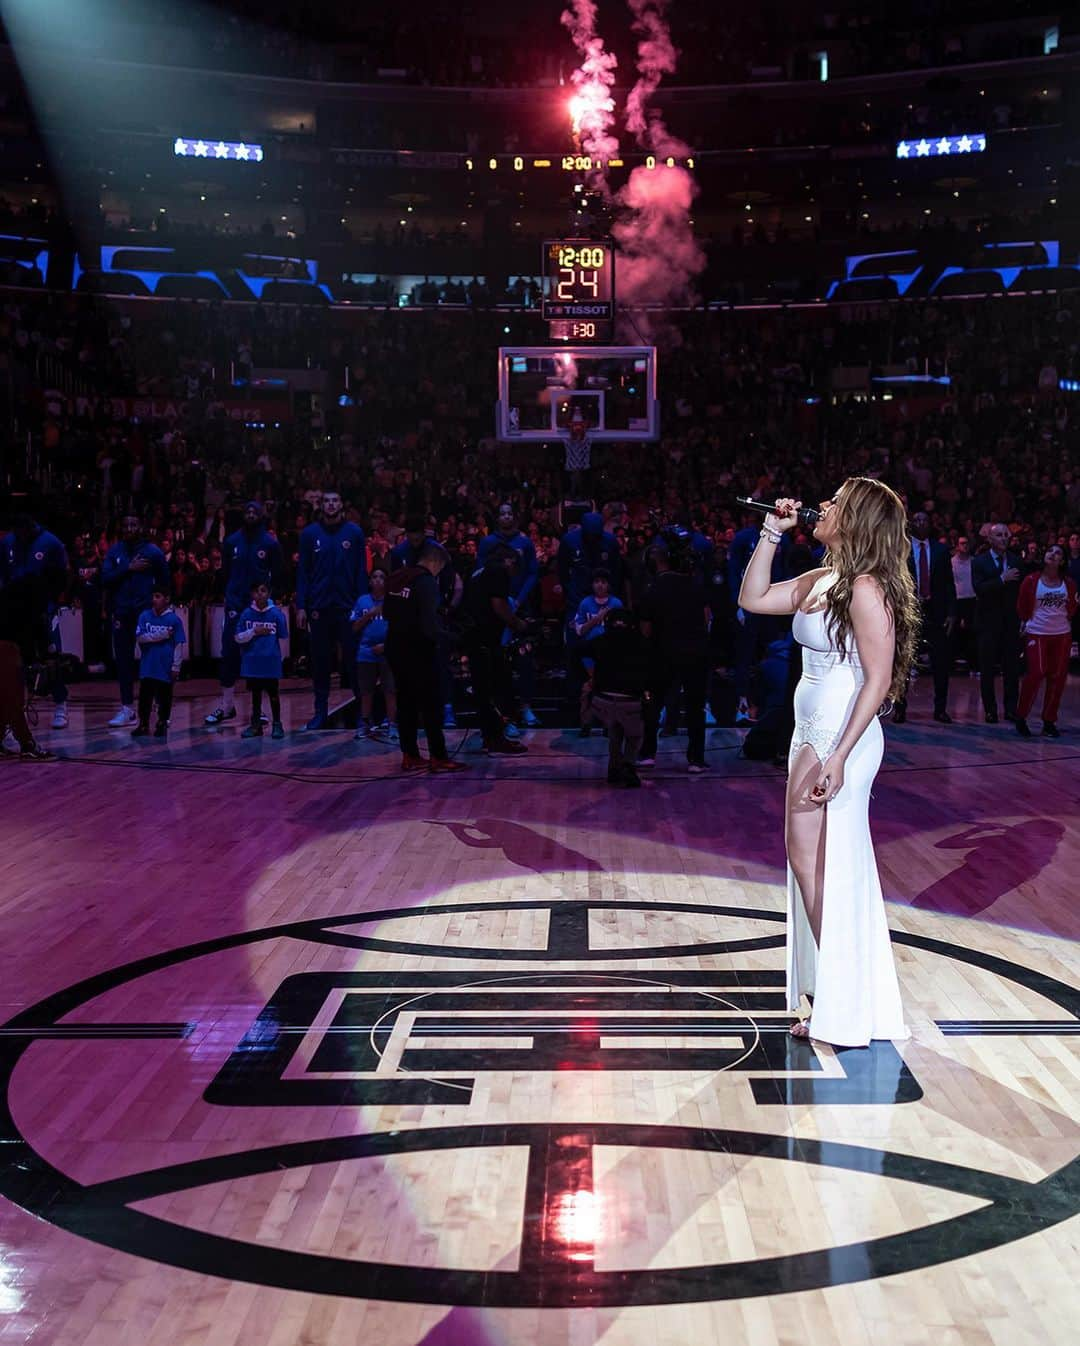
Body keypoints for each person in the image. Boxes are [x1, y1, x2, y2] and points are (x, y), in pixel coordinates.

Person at [738, 479, 918, 1048]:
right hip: (811, 732)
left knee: (818, 860)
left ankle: (842, 1000)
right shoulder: (824, 579)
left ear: (857, 519)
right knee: (810, 861)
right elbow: (753, 598)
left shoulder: (867, 588)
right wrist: (771, 532)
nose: (825, 505)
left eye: (838, 502)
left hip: (842, 736)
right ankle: (843, 994)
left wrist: (840, 753)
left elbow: (880, 679)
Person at [383, 540, 466, 773]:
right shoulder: (426, 581)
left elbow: (387, 612)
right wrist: (453, 638)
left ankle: (409, 755)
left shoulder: (397, 577)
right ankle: (438, 757)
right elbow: (429, 626)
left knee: (406, 702)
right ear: (435, 561)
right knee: (431, 704)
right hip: (418, 648)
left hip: (395, 647)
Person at [204, 501, 284, 727]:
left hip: (259, 609)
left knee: (258, 657)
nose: (250, 515)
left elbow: (278, 575)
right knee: (229, 652)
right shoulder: (231, 541)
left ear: (261, 516)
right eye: (247, 512)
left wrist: (268, 602)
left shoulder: (270, 543)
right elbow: (226, 573)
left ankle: (259, 710)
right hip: (235, 607)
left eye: (254, 512)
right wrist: (230, 597)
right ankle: (227, 706)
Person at [638, 534, 711, 774]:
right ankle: (696, 759)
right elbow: (706, 617)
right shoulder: (695, 584)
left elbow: (645, 629)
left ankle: (648, 754)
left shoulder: (652, 588)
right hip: (695, 653)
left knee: (653, 704)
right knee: (695, 707)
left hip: (663, 652)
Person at [295, 490, 367, 730]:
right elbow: (303, 572)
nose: (331, 504)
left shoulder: (355, 533)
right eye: (327, 501)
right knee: (321, 663)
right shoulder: (309, 534)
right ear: (321, 505)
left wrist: (362, 604)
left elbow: (360, 572)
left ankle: (362, 714)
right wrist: (302, 605)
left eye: (335, 500)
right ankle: (320, 713)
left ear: (341, 504)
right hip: (319, 607)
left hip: (348, 607)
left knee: (353, 662)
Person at [0, 512, 70, 729]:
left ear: (31, 527)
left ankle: (61, 705)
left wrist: (53, 604)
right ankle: (14, 717)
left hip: (43, 610)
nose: (18, 535)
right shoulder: (7, 542)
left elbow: (63, 576)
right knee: (14, 664)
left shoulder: (51, 543)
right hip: (15, 612)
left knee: (51, 658)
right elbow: (2, 574)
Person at [392, 514, 461, 729]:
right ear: (406, 533)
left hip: (434, 615)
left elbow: (449, 580)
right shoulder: (398, 553)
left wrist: (445, 607)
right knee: (411, 666)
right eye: (411, 533)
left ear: (425, 532)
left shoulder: (437, 551)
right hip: (409, 617)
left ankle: (447, 708)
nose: (415, 537)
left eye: (418, 533)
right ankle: (413, 713)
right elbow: (394, 583)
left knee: (439, 663)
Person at [461, 542, 530, 755]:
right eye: (515, 566)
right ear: (509, 560)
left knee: (484, 691)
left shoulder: (478, 572)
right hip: (486, 640)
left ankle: (490, 737)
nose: (514, 572)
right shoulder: (498, 571)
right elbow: (498, 606)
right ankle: (496, 738)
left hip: (473, 637)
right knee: (496, 689)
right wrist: (518, 624)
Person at [100, 516, 170, 728]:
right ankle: (127, 709)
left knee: (154, 659)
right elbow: (105, 579)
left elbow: (165, 582)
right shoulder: (114, 552)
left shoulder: (153, 552)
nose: (129, 528)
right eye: (126, 525)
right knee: (123, 662)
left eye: (133, 524)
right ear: (121, 528)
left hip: (146, 613)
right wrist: (128, 568)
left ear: (141, 527)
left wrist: (161, 608)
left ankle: (160, 708)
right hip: (122, 613)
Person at [479, 502, 541, 728]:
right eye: (502, 513)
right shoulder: (488, 542)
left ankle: (526, 707)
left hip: (520, 607)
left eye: (509, 513)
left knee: (524, 658)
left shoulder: (524, 542)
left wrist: (518, 599)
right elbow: (480, 572)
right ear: (497, 518)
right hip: (496, 608)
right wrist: (499, 601)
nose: (506, 517)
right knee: (498, 663)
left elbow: (533, 573)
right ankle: (503, 713)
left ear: (514, 517)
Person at [894, 510, 956, 724]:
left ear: (930, 524)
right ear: (911, 524)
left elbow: (949, 583)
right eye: (917, 520)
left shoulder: (940, 549)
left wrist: (951, 612)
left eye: (925, 520)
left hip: (936, 612)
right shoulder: (901, 548)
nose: (921, 523)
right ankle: (900, 708)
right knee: (904, 662)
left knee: (941, 662)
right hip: (909, 611)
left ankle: (940, 709)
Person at [1014, 543, 1077, 739]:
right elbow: (1022, 606)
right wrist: (1026, 623)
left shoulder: (1069, 583)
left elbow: (1073, 608)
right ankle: (1021, 716)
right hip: (1037, 632)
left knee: (1057, 678)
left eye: (1058, 553)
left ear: (1062, 561)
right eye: (1050, 551)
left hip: (1062, 634)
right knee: (1036, 673)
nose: (1053, 554)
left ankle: (1049, 721)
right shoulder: (1031, 580)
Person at [588, 607, 651, 787]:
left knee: (615, 730)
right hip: (629, 701)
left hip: (602, 701)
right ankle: (628, 767)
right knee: (635, 735)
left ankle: (613, 768)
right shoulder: (641, 642)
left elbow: (576, 651)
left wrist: (589, 678)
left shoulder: (600, 640)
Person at [971, 522, 1023, 724]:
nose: (1004, 538)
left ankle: (1011, 709)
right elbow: (979, 589)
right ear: (990, 540)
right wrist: (1002, 579)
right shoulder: (979, 562)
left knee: (1012, 669)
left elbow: (1021, 594)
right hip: (987, 623)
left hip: (1010, 623)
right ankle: (990, 710)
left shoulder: (1017, 561)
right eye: (999, 535)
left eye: (1006, 535)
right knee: (987, 669)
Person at [234, 581, 288, 740]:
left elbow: (284, 638)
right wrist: (254, 631)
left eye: (263, 591)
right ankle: (256, 724)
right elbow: (238, 637)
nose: (260, 594)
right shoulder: (246, 614)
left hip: (270, 662)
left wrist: (281, 659)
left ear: (269, 594)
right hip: (252, 662)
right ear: (252, 594)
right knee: (255, 695)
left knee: (273, 694)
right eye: (256, 591)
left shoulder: (277, 614)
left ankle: (277, 724)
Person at [573, 567, 622, 735]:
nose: (600, 585)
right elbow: (579, 630)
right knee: (590, 687)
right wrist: (596, 620)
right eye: (597, 582)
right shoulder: (585, 603)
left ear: (608, 585)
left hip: (610, 654)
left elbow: (622, 631)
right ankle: (586, 724)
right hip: (590, 653)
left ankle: (609, 725)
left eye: (603, 582)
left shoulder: (616, 604)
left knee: (609, 689)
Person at [350, 564, 397, 742]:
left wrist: (386, 646)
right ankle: (365, 724)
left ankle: (392, 725)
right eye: (375, 577)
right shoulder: (362, 601)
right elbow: (354, 628)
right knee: (366, 691)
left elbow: (399, 628)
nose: (378, 580)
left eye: (382, 577)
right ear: (370, 581)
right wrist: (369, 615)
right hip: (366, 652)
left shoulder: (393, 601)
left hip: (387, 651)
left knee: (390, 690)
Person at [132, 586, 186, 739]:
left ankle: (162, 723)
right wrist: (161, 635)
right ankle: (143, 724)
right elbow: (140, 637)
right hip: (148, 665)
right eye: (153, 596)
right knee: (145, 696)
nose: (153, 600)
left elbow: (178, 644)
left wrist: (176, 666)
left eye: (157, 596)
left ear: (167, 599)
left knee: (164, 696)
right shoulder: (144, 616)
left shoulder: (174, 620)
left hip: (165, 666)